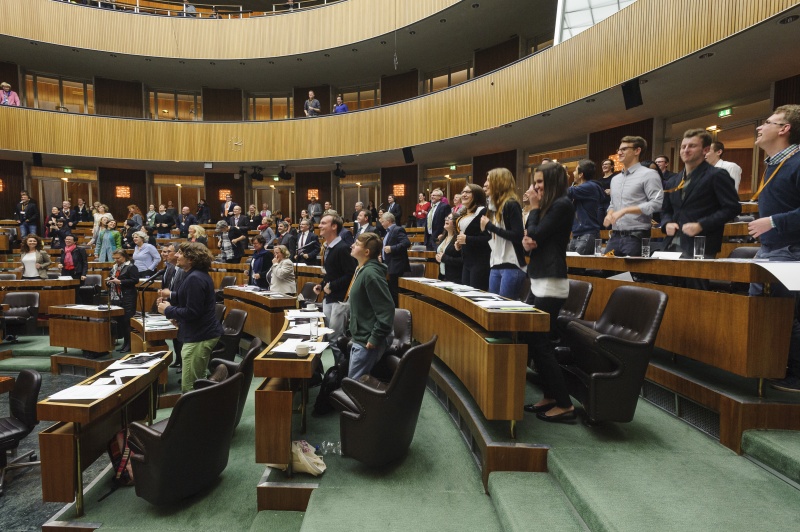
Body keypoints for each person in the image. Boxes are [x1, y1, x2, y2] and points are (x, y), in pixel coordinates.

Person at [746, 105, 800, 392]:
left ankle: (793, 373)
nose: (759, 127)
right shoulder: (774, 164)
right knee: (766, 313)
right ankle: (769, 366)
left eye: (767, 122)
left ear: (784, 129)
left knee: (783, 314)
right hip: (772, 249)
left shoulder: (797, 161)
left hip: (790, 251)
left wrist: (774, 222)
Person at [521, 162, 576, 422]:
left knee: (540, 343)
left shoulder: (561, 205)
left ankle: (565, 404)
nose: (535, 187)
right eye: (535, 182)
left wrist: (532, 210)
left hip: (552, 283)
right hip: (539, 279)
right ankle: (551, 396)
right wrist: (531, 234)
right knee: (532, 339)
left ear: (553, 182)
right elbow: (528, 243)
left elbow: (535, 235)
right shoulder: (548, 208)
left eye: (540, 182)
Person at [661, 129, 741, 262]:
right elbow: (666, 210)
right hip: (672, 244)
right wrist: (666, 223)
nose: (686, 150)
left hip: (701, 244)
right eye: (683, 147)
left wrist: (701, 225)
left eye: (692, 146)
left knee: (694, 283)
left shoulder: (716, 175)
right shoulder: (673, 181)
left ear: (705, 150)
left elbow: (732, 208)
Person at [158, 242, 224, 393]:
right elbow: (190, 303)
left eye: (180, 253)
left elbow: (193, 312)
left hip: (199, 336)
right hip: (199, 333)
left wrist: (168, 310)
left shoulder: (195, 278)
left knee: (190, 387)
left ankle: (194, 415)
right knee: (199, 381)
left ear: (191, 259)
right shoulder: (194, 275)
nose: (176, 255)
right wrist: (176, 314)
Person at [603, 136, 663, 256]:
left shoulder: (649, 174)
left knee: (633, 274)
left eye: (624, 149)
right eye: (619, 149)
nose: (619, 152)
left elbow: (657, 203)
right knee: (603, 271)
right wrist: (609, 214)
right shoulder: (615, 179)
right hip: (614, 235)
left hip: (636, 235)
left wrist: (626, 210)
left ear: (637, 151)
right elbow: (613, 204)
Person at [347, 232, 395, 379]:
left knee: (353, 388)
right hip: (360, 337)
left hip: (367, 340)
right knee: (354, 384)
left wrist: (375, 337)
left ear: (366, 252)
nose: (352, 245)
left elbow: (387, 309)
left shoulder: (371, 274)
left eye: (357, 244)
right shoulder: (361, 269)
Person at [313, 214, 357, 364]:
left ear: (334, 227)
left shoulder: (342, 248)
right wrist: (322, 284)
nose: (319, 226)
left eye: (324, 223)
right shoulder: (328, 247)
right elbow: (332, 272)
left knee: (336, 339)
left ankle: (344, 371)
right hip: (329, 298)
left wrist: (331, 285)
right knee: (328, 337)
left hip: (340, 300)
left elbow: (351, 275)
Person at [480, 168, 526, 299]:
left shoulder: (511, 205)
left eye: (489, 180)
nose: (485, 184)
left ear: (499, 182)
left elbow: (518, 236)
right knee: (492, 308)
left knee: (504, 312)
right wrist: (486, 229)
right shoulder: (492, 209)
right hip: (495, 265)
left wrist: (490, 227)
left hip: (512, 266)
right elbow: (494, 239)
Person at [455, 183, 491, 291]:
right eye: (463, 192)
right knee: (466, 298)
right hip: (467, 262)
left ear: (477, 195)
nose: (464, 194)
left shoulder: (483, 211)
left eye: (468, 192)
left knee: (476, 298)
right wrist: (460, 244)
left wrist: (467, 239)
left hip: (480, 263)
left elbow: (488, 238)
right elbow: (467, 237)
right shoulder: (463, 214)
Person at [567, 159, 605, 255]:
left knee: (577, 267)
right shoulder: (582, 189)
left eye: (575, 170)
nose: (573, 173)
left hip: (587, 234)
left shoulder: (590, 186)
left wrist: (561, 178)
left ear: (581, 174)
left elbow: (567, 192)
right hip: (577, 234)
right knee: (570, 266)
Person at [107, 249, 139, 354]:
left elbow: (135, 280)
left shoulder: (131, 267)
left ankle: (129, 344)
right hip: (116, 297)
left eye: (118, 258)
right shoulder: (114, 267)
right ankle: (125, 344)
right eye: (114, 258)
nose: (116, 260)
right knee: (120, 321)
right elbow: (112, 278)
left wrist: (120, 281)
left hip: (128, 297)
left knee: (127, 321)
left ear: (124, 256)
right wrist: (109, 281)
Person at [380, 212, 411, 307]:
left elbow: (406, 243)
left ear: (388, 221)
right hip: (389, 263)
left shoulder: (398, 229)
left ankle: (397, 309)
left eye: (382, 221)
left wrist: (392, 248)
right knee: (390, 289)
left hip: (396, 265)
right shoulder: (388, 231)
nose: (381, 224)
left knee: (394, 290)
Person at [436, 214, 462, 282]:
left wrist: (444, 258)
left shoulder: (459, 239)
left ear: (456, 222)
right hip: (442, 276)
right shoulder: (443, 238)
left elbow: (462, 260)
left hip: (454, 278)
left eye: (450, 218)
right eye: (446, 217)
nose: (446, 219)